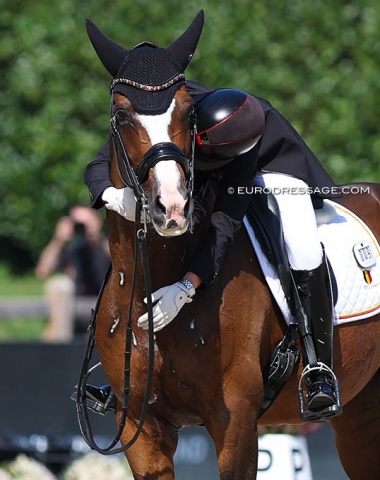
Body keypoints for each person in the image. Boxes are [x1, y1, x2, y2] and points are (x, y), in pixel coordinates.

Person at [80, 12, 342, 420]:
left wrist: (187, 286)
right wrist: (114, 198)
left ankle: (317, 365)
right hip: (189, 165)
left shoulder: (230, 119)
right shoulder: (156, 112)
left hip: (262, 161)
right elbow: (97, 166)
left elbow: (226, 219)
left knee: (303, 244)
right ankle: (122, 375)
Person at [36, 204, 110, 342]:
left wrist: (98, 237)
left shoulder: (105, 246)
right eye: (78, 222)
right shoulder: (71, 248)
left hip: (104, 314)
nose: (83, 227)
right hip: (70, 315)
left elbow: (120, 259)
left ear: (98, 221)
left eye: (86, 222)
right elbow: (43, 271)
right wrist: (58, 239)